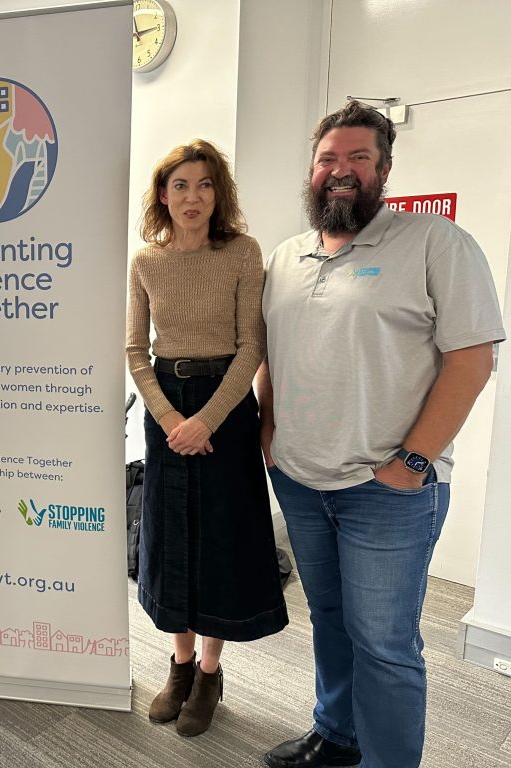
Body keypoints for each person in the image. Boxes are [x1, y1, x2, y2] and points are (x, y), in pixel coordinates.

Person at [258, 102, 505, 768]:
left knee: (385, 645)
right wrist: (271, 434)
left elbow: (473, 357)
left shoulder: (434, 243)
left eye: (358, 158)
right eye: (328, 159)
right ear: (312, 170)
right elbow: (274, 356)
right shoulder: (286, 257)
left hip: (386, 491)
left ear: (384, 169)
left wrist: (412, 462)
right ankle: (336, 736)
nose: (340, 172)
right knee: (332, 625)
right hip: (303, 483)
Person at [127, 140, 288, 738]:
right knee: (171, 536)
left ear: (218, 194)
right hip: (166, 408)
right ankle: (180, 663)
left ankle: (211, 673)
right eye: (180, 186)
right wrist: (172, 421)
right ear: (162, 195)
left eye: (204, 185)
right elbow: (133, 349)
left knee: (220, 536)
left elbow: (253, 345)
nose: (192, 197)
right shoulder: (147, 259)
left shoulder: (243, 252)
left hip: (226, 408)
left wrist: (207, 420)